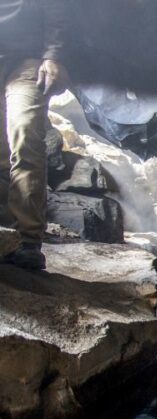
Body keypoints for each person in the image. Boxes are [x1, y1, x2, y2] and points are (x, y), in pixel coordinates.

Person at [0, 0, 67, 270]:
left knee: (25, 132)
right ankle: (6, 232)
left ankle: (27, 240)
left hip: (27, 62)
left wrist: (53, 56)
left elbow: (57, 9)